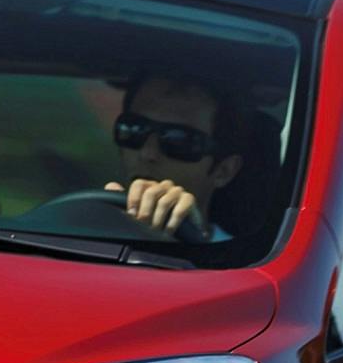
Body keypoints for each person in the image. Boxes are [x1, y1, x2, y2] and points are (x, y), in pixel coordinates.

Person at [105, 71, 246, 243]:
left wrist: (191, 241)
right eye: (134, 129)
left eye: (179, 141)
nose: (148, 153)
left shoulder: (242, 262)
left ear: (224, 171)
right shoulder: (83, 226)